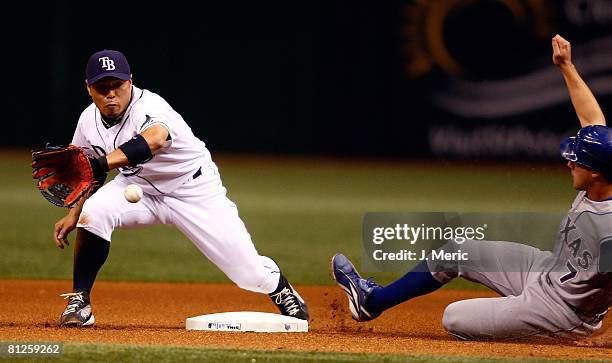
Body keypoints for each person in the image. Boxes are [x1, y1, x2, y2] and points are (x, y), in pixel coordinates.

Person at [331, 34, 611, 342]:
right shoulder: (602, 170)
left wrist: (602, 337)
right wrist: (566, 66)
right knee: (456, 250)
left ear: (597, 173)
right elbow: (592, 119)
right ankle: (371, 302)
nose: (569, 163)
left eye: (576, 160)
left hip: (563, 311)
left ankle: (545, 332)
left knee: (455, 317)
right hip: (544, 270)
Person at [54, 49, 309, 327]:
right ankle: (80, 300)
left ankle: (279, 288)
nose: (111, 93)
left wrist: (101, 164)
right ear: (88, 88)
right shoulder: (87, 120)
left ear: (130, 82)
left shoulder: (150, 106)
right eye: (102, 87)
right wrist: (75, 212)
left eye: (118, 85)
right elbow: (87, 172)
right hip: (139, 189)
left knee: (248, 275)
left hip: (193, 189)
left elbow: (154, 139)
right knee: (95, 212)